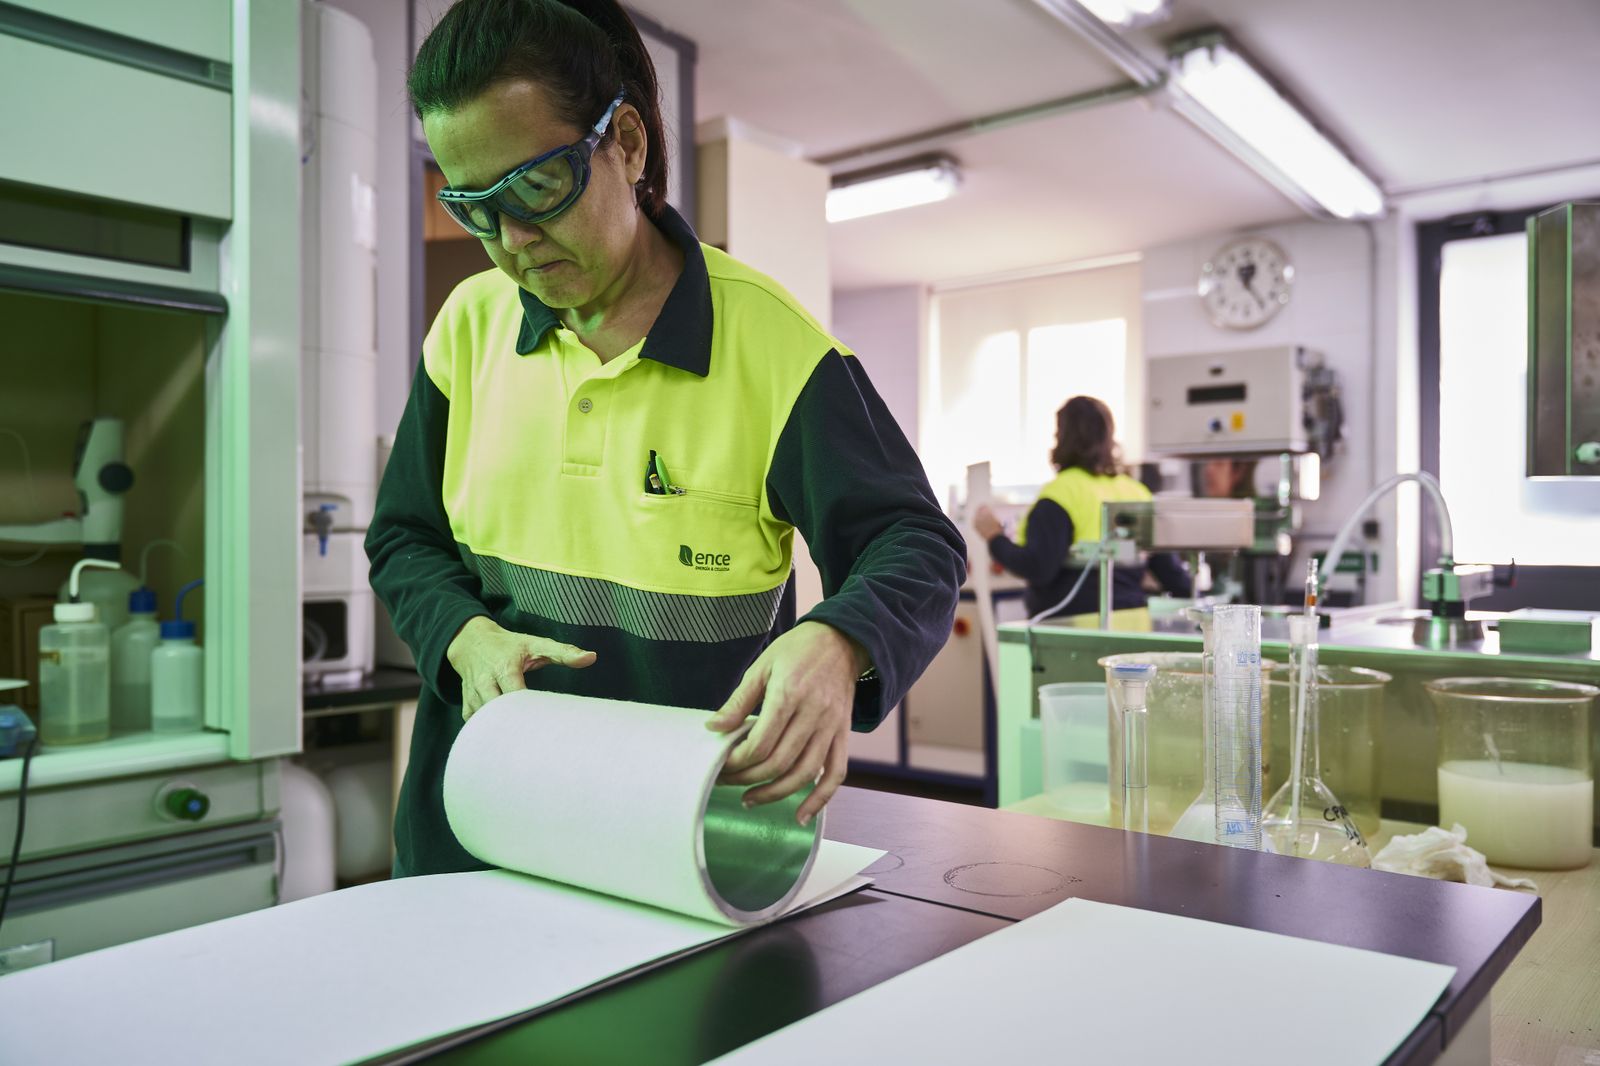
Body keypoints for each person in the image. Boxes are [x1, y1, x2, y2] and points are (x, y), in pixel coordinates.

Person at [366, 0, 966, 877]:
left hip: (682, 851)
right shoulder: (468, 326)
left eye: (535, 189)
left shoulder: (776, 350)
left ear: (629, 145)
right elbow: (403, 538)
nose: (512, 243)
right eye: (473, 207)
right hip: (476, 834)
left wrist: (839, 640)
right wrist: (462, 633)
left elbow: (916, 544)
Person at [973, 396, 1189, 619]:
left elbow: (1038, 568)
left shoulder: (1061, 493)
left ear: (1062, 437)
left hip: (1070, 629)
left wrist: (994, 537)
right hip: (1132, 624)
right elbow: (1172, 575)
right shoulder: (1136, 492)